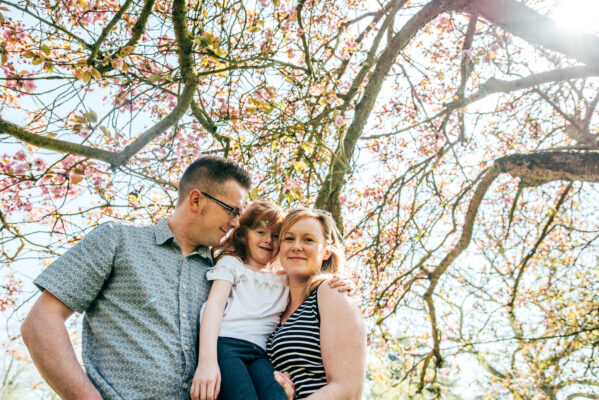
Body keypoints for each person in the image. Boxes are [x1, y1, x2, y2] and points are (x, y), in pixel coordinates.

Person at [20, 156, 251, 400]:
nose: (236, 222)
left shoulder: (221, 275)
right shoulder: (116, 240)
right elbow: (40, 322)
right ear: (196, 200)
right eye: (232, 210)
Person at [190, 201, 353, 400]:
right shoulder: (232, 265)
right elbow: (213, 306)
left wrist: (338, 279)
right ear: (243, 234)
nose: (268, 240)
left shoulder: (282, 278)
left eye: (275, 235)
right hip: (227, 345)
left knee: (277, 395)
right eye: (260, 232)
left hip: (259, 354)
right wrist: (207, 361)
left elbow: (306, 269)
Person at [266, 208, 367, 399]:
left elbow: (347, 389)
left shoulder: (330, 292)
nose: (296, 246)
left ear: (326, 252)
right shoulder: (274, 303)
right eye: (289, 238)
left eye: (308, 240)